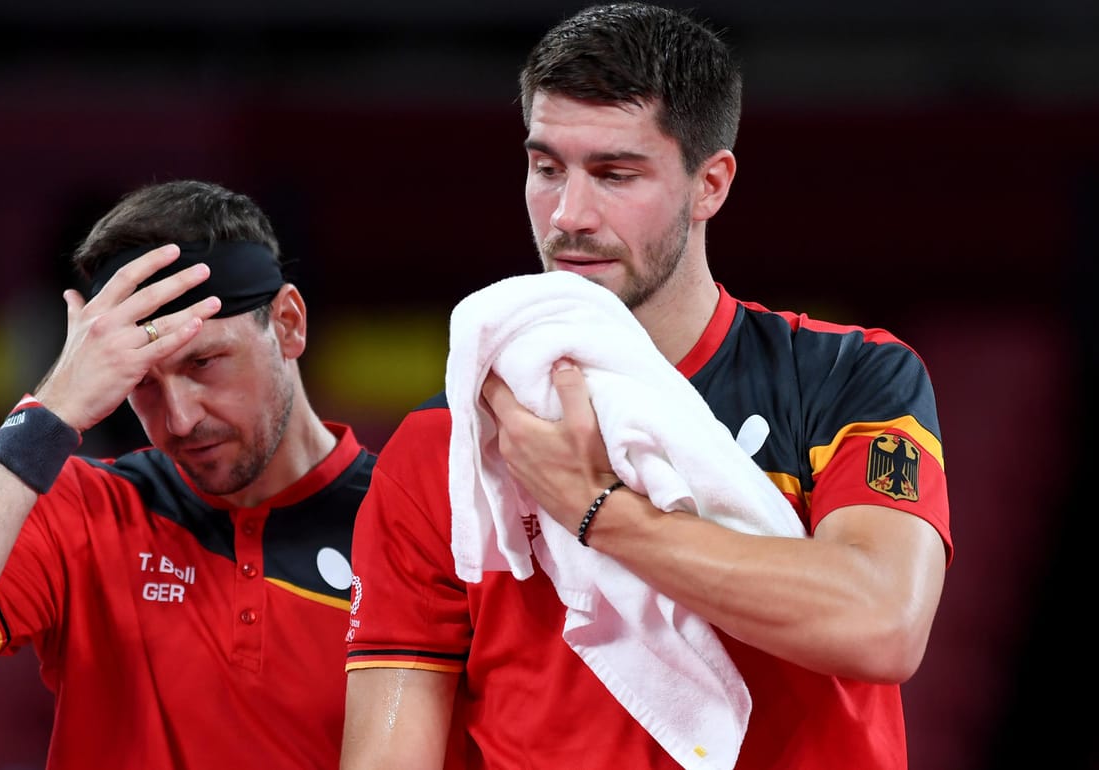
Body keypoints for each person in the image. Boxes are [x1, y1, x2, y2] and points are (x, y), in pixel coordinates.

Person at [339, 4, 951, 769]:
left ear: (710, 185)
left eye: (614, 174)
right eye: (546, 167)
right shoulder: (445, 445)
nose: (568, 216)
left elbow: (882, 622)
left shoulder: (846, 375)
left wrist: (599, 512)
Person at [0, 179, 374, 770]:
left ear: (288, 324)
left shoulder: (405, 522)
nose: (178, 419)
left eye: (203, 363)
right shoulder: (85, 506)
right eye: (141, 382)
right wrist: (49, 411)